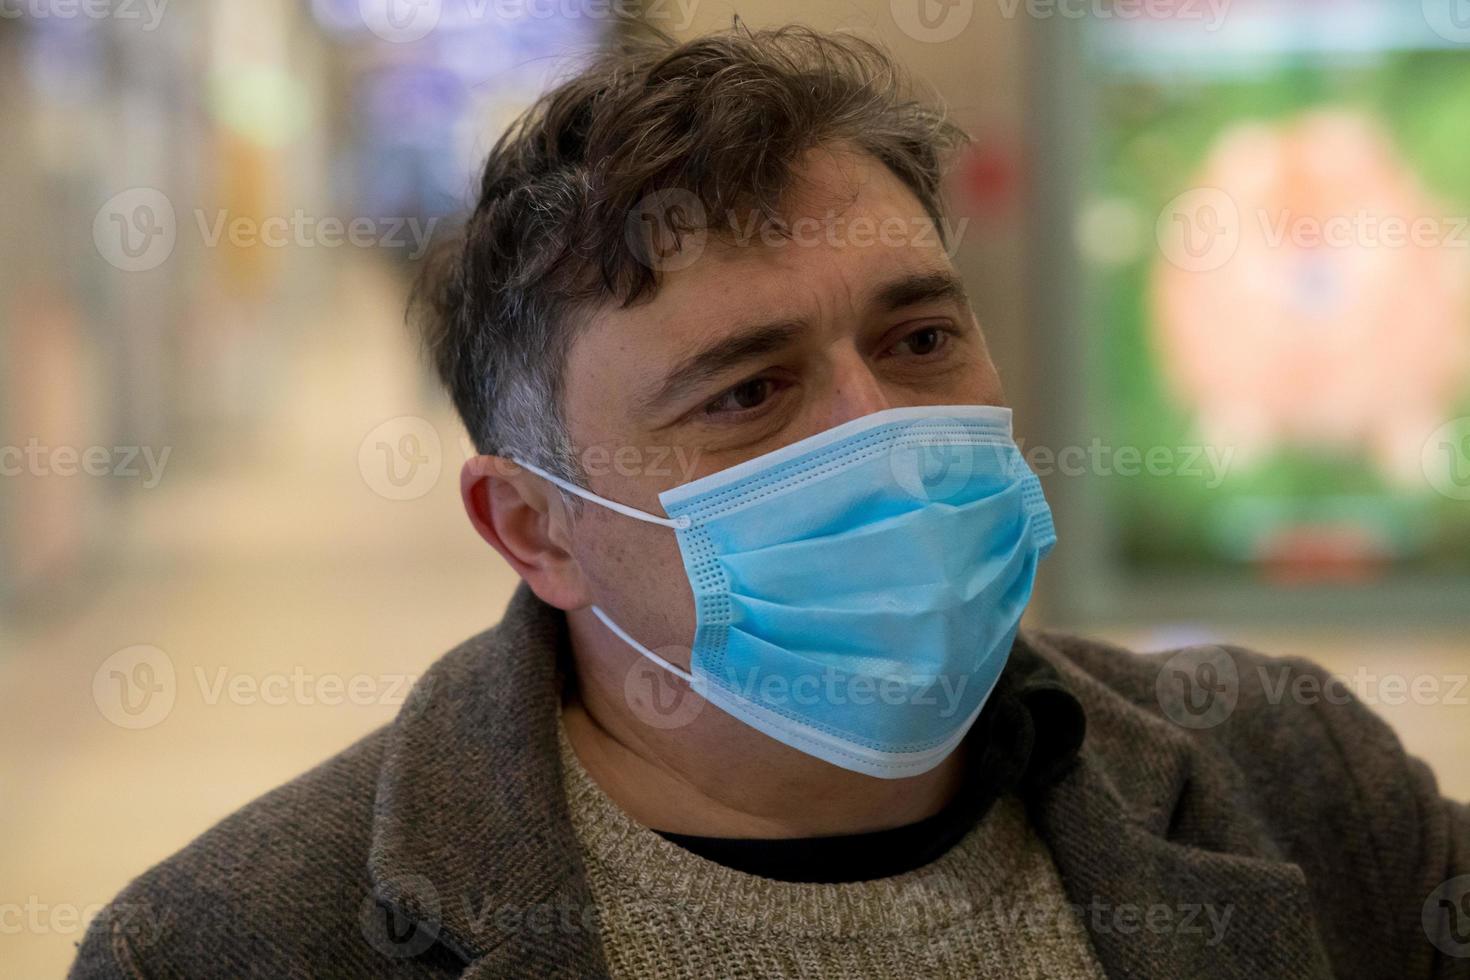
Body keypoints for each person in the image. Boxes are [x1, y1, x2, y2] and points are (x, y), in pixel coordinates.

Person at [73, 23, 1468, 980]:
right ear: (531, 527)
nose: (884, 435)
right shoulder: (246, 940)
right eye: (744, 393)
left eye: (919, 340)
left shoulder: (1298, 783)